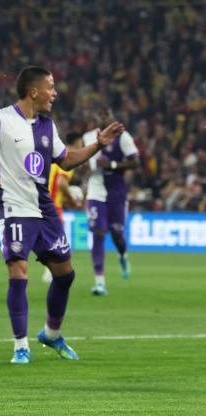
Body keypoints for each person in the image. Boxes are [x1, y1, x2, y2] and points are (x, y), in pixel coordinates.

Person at [0, 66, 124, 365]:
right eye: (50, 87)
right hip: (12, 207)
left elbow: (67, 160)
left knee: (66, 275)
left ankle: (51, 333)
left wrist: (98, 144)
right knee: (18, 271)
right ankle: (21, 345)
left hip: (44, 209)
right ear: (33, 91)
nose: (55, 92)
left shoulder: (47, 126)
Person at [83, 108, 139, 296]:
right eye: (101, 116)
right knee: (98, 232)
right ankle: (100, 282)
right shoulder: (89, 137)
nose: (104, 118)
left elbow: (135, 162)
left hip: (116, 193)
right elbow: (86, 162)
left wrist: (113, 165)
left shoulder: (123, 137)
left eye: (107, 116)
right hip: (96, 191)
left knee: (116, 234)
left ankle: (122, 254)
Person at [41, 132, 84, 283]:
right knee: (58, 240)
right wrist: (72, 199)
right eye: (81, 143)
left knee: (47, 238)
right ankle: (50, 271)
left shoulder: (55, 153)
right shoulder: (67, 156)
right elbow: (61, 183)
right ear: (76, 143)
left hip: (42, 200)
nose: (82, 147)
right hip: (52, 205)